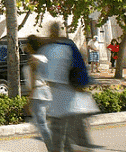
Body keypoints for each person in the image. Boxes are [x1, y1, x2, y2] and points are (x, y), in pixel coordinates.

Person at [39, 22, 99, 152]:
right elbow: (83, 75)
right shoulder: (69, 46)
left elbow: (43, 75)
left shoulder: (46, 49)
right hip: (74, 103)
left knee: (59, 143)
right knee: (79, 143)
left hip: (57, 104)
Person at [25, 35, 51, 147]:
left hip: (38, 95)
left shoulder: (32, 60)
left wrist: (29, 99)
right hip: (48, 93)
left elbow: (33, 80)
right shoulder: (44, 58)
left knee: (41, 124)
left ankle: (53, 148)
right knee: (45, 124)